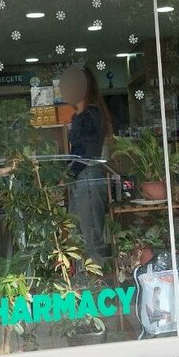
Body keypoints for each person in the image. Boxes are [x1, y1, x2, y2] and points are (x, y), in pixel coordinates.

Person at [59, 64, 113, 260]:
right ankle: (85, 276)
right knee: (80, 234)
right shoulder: (86, 114)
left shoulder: (90, 115)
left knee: (90, 236)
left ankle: (96, 277)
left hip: (87, 177)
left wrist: (66, 176)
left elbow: (85, 153)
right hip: (84, 177)